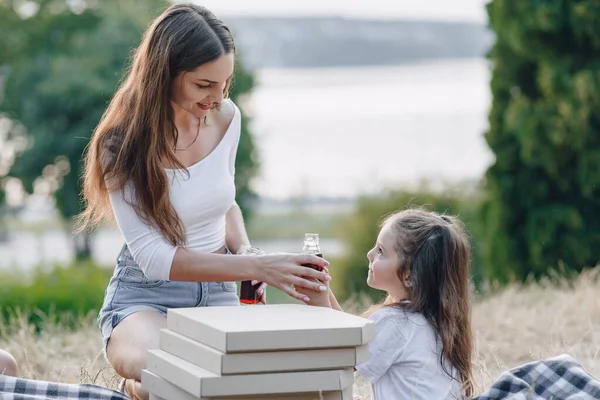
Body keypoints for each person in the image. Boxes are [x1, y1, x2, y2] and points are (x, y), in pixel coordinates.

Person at [77, 3, 331, 399]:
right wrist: (257, 264)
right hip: (145, 298)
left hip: (219, 293)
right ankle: (141, 386)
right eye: (204, 85)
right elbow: (155, 258)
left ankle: (146, 390)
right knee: (188, 371)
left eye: (225, 83)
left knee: (274, 381)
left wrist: (244, 249)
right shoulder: (121, 143)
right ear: (164, 74)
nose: (217, 97)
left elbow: (223, 201)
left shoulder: (227, 118)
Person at [307, 208, 473, 400]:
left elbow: (342, 359)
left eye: (381, 252)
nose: (370, 254)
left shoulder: (395, 322)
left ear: (409, 275)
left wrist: (320, 302)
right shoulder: (434, 319)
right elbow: (350, 340)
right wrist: (325, 291)